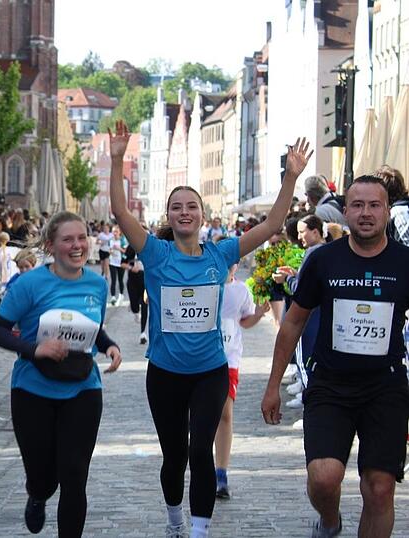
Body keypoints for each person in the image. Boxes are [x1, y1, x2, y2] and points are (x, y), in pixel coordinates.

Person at [108, 119, 312, 538]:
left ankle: (200, 530)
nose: (185, 212)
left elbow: (273, 224)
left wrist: (291, 176)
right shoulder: (155, 252)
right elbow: (120, 212)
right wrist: (116, 160)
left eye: (192, 206)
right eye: (177, 207)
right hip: (164, 373)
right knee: (174, 455)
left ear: (203, 216)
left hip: (209, 372)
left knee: (200, 449)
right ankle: (174, 520)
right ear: (169, 215)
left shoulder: (221, 254)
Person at [262, 175, 409, 538]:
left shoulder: (405, 262)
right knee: (324, 479)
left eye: (374, 205)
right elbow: (293, 323)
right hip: (330, 383)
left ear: (387, 211)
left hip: (385, 386)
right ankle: (329, 520)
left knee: (379, 489)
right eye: (357, 205)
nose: (365, 213)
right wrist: (273, 386)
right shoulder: (323, 261)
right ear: (345, 213)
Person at [0, 211, 122, 537]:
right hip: (33, 390)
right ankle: (37, 494)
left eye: (82, 238)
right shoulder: (30, 284)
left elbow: (93, 329)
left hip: (83, 389)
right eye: (68, 239)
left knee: (74, 476)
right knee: (44, 477)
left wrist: (110, 346)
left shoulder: (97, 284)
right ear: (51, 245)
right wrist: (35, 349)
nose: (77, 246)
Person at [213, 262, 269, 500]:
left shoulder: (241, 290)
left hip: (228, 359)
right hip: (199, 359)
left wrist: (259, 313)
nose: (228, 267)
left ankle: (221, 474)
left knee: (225, 414)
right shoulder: (204, 286)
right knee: (201, 415)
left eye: (231, 263)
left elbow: (244, 321)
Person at [273, 214, 327, 410]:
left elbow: (304, 290)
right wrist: (295, 275)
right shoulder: (319, 251)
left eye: (303, 232)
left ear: (315, 231)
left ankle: (308, 403)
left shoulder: (315, 252)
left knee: (307, 359)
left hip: (308, 316)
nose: (300, 236)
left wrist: (285, 280)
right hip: (315, 315)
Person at [124, 237, 148, 344]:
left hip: (145, 281)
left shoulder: (149, 249)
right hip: (133, 281)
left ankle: (143, 333)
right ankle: (134, 310)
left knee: (145, 305)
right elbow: (122, 263)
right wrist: (131, 268)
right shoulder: (130, 248)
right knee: (135, 306)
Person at [109, 227, 126, 305]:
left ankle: (121, 295)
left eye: (116, 231)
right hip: (112, 262)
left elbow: (125, 251)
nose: (114, 233)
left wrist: (119, 248)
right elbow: (109, 250)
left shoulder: (122, 240)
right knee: (113, 280)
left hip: (120, 263)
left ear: (119, 232)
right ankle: (113, 297)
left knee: (120, 279)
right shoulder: (110, 240)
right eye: (113, 232)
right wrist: (110, 251)